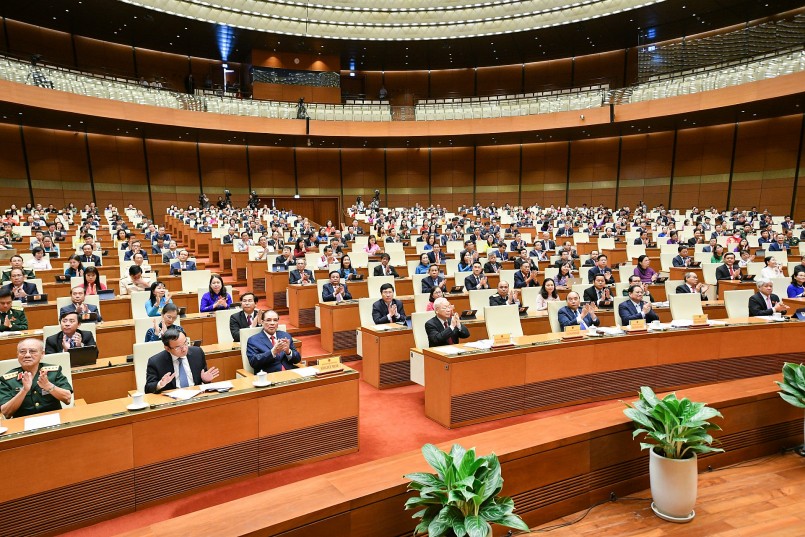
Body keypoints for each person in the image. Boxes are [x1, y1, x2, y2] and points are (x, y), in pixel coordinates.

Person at [0, 338, 73, 418]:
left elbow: (67, 399)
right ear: (17, 355)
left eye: (32, 351)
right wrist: (24, 391)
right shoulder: (8, 379)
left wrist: (49, 386)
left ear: (42, 354)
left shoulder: (53, 372)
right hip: (23, 423)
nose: (27, 355)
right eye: (22, 352)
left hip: (54, 419)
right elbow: (6, 412)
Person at [144, 329, 219, 393]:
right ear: (167, 348)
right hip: (172, 401)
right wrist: (160, 384)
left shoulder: (197, 353)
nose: (184, 349)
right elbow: (148, 389)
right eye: (178, 347)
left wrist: (205, 380)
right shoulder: (155, 362)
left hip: (196, 396)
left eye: (185, 343)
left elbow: (204, 379)